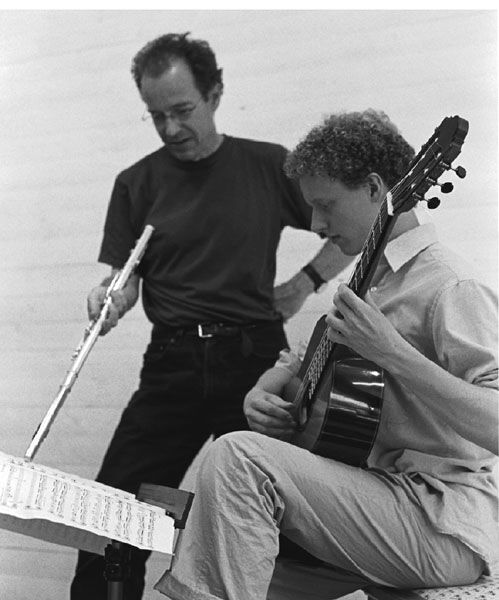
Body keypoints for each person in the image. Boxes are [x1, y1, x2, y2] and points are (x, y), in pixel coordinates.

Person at [154, 109, 499, 600]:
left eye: (325, 205)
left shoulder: (451, 286)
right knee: (226, 555)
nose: (316, 225)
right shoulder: (371, 282)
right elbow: (302, 359)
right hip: (369, 501)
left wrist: (393, 353)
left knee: (238, 456)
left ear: (376, 189)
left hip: (438, 521)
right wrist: (264, 389)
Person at [70, 33, 351, 600]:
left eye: (182, 110)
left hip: (254, 361)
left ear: (215, 94)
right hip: (172, 363)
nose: (170, 128)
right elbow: (124, 279)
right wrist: (111, 298)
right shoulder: (136, 183)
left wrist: (303, 284)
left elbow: (348, 225)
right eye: (156, 116)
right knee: (110, 516)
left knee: (289, 517)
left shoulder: (268, 165)